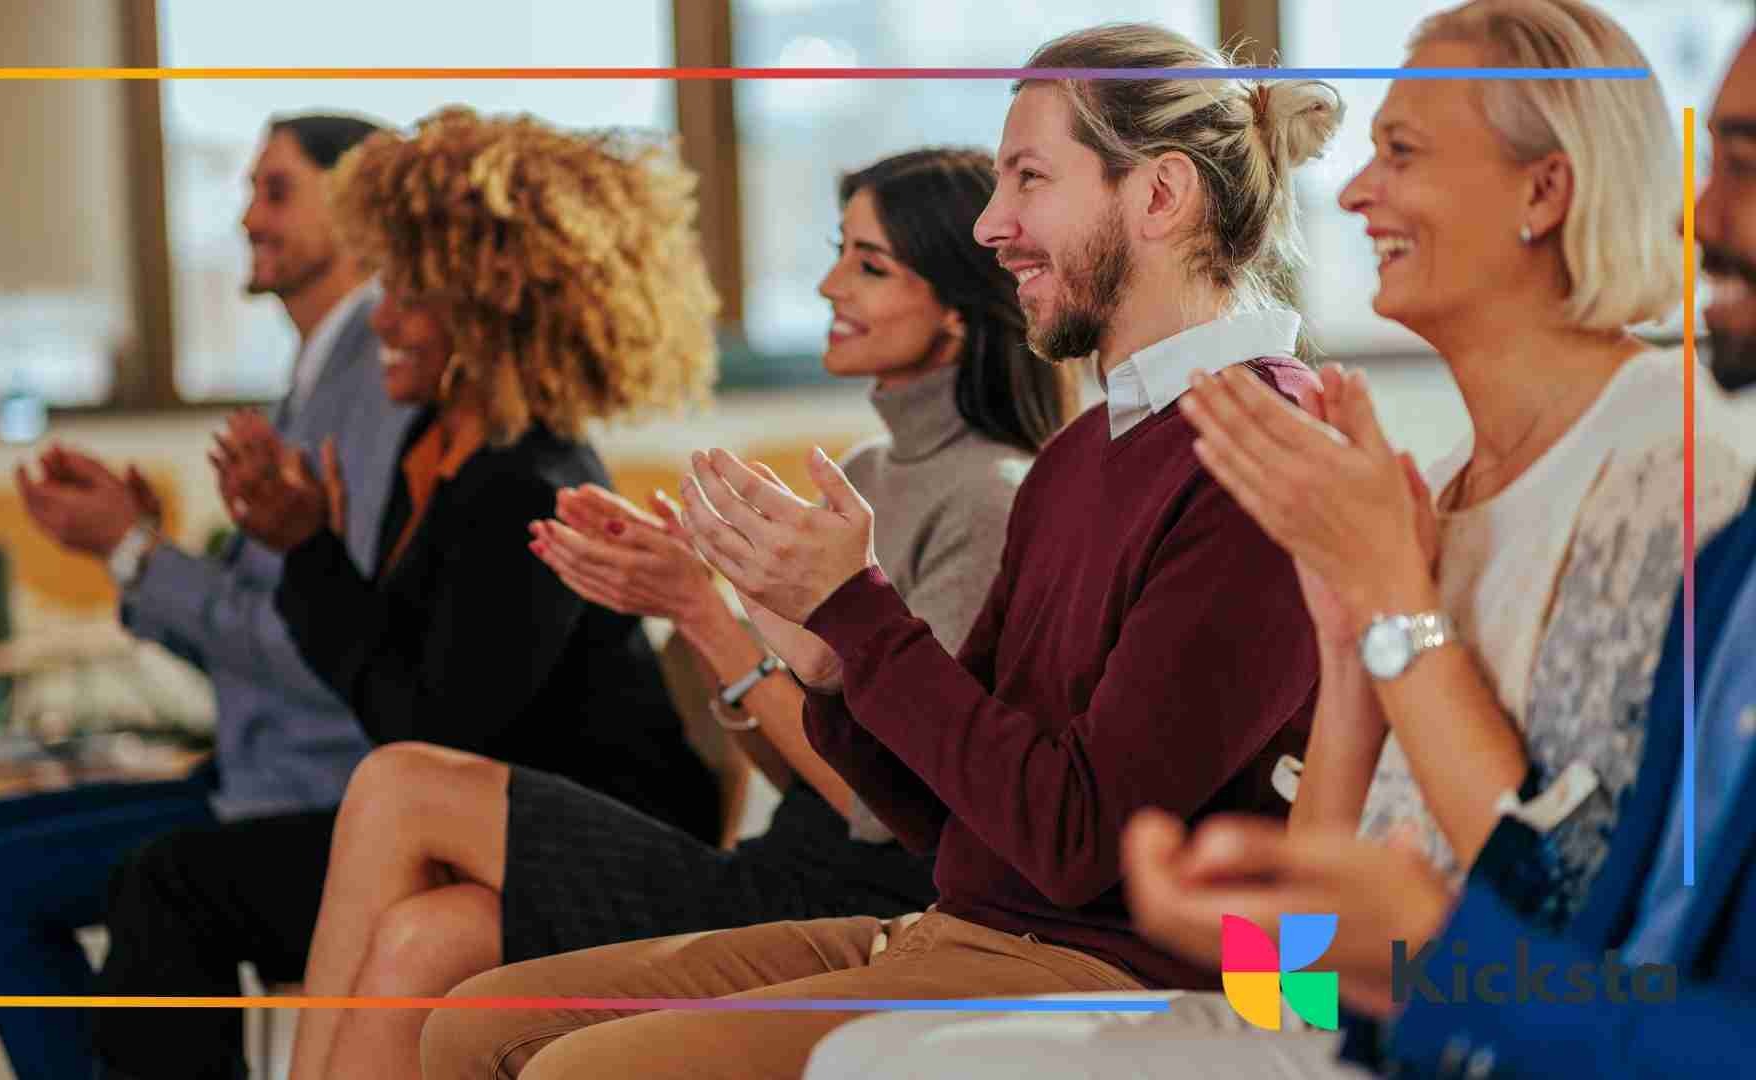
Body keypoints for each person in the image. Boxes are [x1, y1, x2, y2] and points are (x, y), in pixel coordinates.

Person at [812, 7, 1756, 1079]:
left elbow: (1571, 902)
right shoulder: (1438, 483)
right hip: (1349, 1016)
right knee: (875, 1058)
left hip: (1468, 1035)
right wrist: (1236, 917)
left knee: (883, 1064)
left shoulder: (1662, 474)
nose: (1351, 190)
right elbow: (1299, 963)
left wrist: (1390, 600)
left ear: (1545, 192)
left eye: (1400, 153)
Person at [418, 23, 1343, 1079]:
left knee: (583, 1066)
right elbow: (946, 824)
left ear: (1160, 197)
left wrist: (859, 611)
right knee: (474, 1023)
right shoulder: (1085, 453)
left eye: (1029, 178)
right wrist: (828, 666)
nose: (995, 225)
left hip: (1117, 969)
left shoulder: (1258, 455)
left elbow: (1076, 837)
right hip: (967, 927)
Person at [284, 147, 1079, 1080]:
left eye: (869, 265)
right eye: (838, 252)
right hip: (784, 860)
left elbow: (884, 811)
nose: (827, 283)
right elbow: (787, 758)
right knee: (427, 933)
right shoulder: (868, 470)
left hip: (859, 888)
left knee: (403, 782)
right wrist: (698, 603)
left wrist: (703, 611)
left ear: (955, 306)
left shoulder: (987, 496)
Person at [89, 107, 724, 1080]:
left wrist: (308, 552)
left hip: (596, 831)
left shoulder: (530, 481)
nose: (381, 318)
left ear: (490, 306)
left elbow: (423, 726)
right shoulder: (441, 454)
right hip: (492, 813)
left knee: (175, 883)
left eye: (413, 295)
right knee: (173, 877)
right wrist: (303, 546)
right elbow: (398, 687)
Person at [0, 112, 411, 1080]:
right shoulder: (315, 382)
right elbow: (283, 608)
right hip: (257, 763)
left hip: (309, 787)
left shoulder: (372, 389)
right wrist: (136, 547)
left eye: (277, 191)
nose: (247, 219)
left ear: (356, 216)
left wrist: (141, 554)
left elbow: (319, 647)